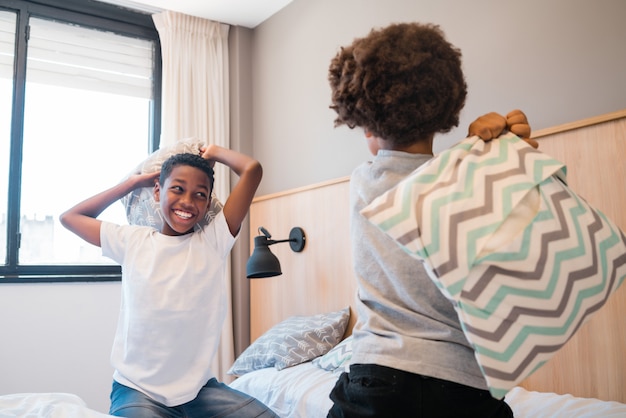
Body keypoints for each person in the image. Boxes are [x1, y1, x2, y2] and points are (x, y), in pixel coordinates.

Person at [326, 22, 534, 417]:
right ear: (441, 110)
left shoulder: (364, 181)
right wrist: (499, 150)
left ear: (366, 123)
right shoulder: (467, 178)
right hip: (467, 383)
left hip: (380, 373)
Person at [60, 146, 278, 418]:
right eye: (177, 189)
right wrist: (132, 183)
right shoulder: (133, 241)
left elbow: (251, 170)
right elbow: (70, 218)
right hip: (137, 390)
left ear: (208, 203)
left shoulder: (213, 241)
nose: (188, 201)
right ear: (157, 191)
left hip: (198, 391)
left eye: (200, 194)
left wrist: (213, 152)